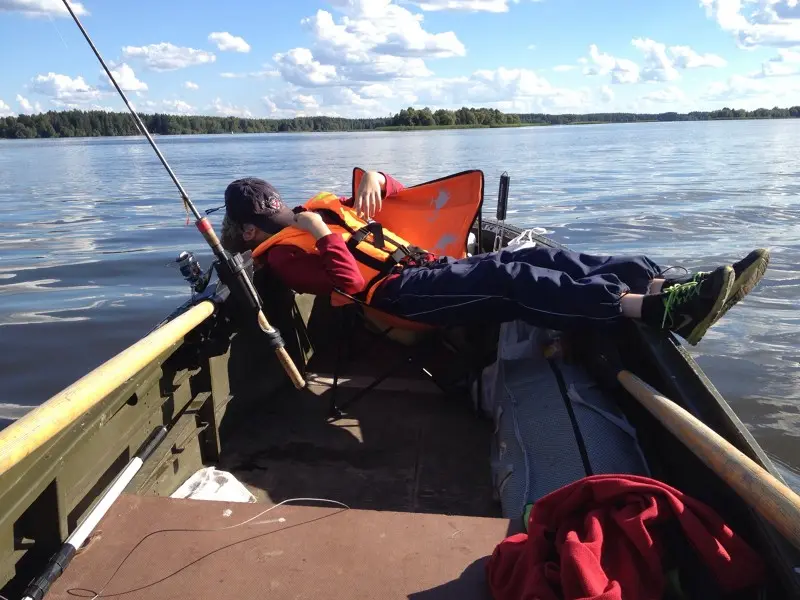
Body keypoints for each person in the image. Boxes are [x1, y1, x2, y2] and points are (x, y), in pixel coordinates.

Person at [220, 170, 769, 346]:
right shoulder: (284, 257)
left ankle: (664, 284)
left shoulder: (320, 206)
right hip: (394, 296)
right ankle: (655, 313)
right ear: (249, 230)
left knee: (549, 258)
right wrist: (322, 237)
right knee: (513, 277)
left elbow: (406, 193)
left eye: (272, 207)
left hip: (422, 268)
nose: (273, 217)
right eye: (263, 219)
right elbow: (348, 288)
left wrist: (375, 176)